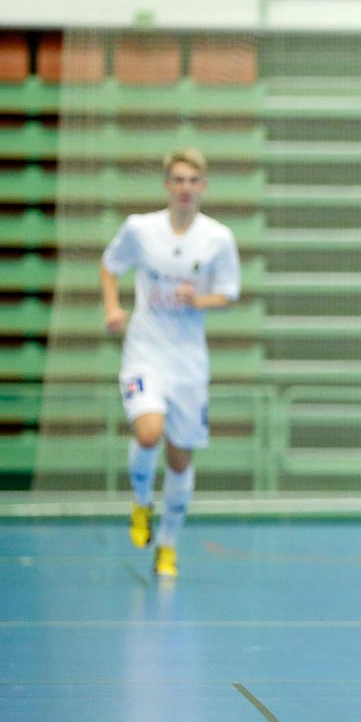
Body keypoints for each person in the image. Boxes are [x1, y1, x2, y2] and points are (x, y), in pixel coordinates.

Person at [100, 149, 241, 579]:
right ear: (167, 185)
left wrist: (197, 299)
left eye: (193, 180)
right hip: (145, 352)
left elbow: (230, 293)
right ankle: (142, 502)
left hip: (188, 362)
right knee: (149, 432)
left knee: (179, 459)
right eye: (178, 180)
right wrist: (112, 308)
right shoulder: (140, 230)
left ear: (203, 187)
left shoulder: (218, 238)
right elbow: (109, 266)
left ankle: (167, 545)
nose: (185, 188)